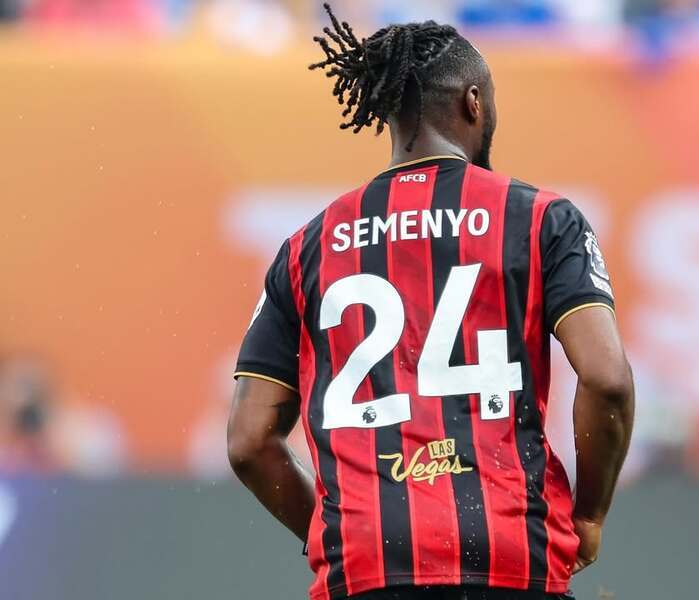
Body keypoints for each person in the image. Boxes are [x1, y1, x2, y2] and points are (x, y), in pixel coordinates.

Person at [227, 4, 634, 599]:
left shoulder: (306, 247)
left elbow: (249, 441)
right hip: (510, 555)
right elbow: (607, 379)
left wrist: (345, 532)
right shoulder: (541, 219)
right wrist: (590, 515)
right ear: (474, 102)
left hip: (366, 565)